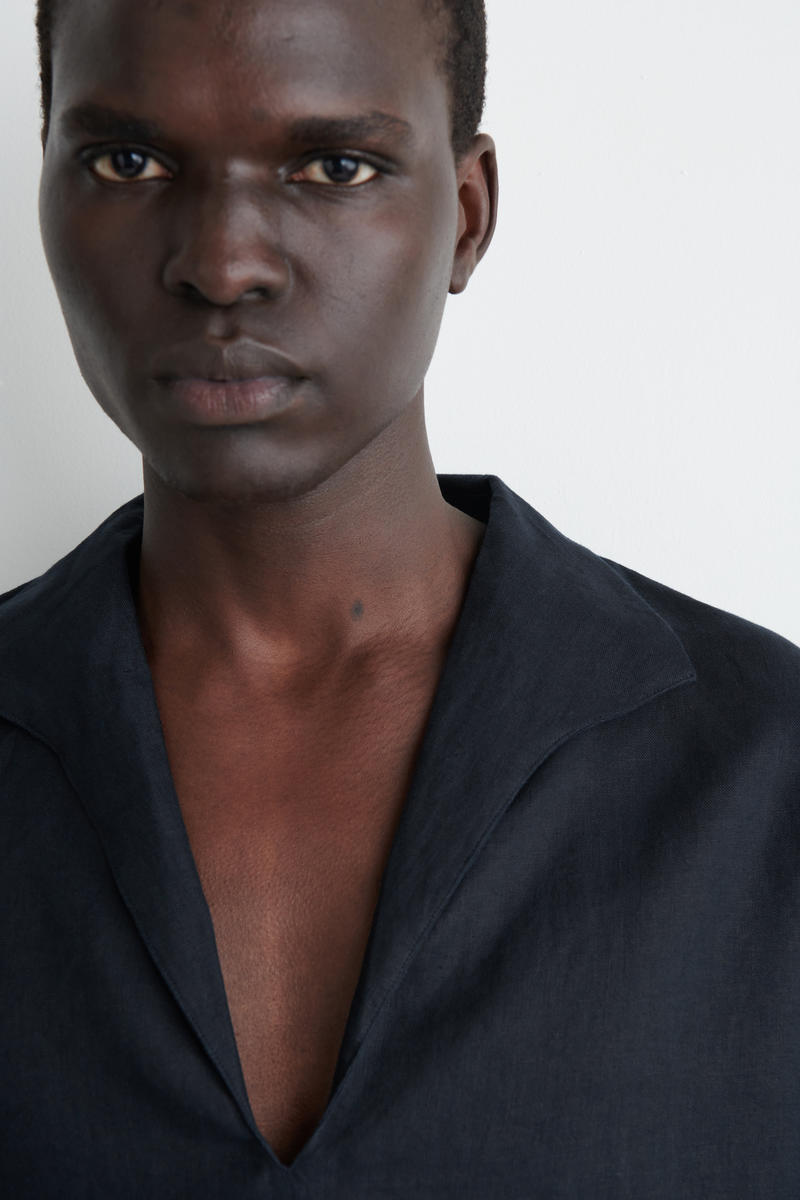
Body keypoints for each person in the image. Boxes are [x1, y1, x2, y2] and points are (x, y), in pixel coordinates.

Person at [1, 0, 798, 1196]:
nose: (222, 264)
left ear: (466, 215)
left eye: (333, 167)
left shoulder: (766, 771)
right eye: (128, 161)